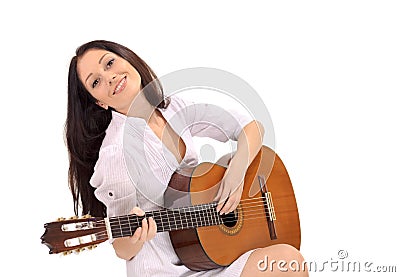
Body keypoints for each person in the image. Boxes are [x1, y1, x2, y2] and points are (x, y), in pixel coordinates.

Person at [66, 40, 308, 276]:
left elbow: (251, 127)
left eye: (109, 63)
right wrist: (135, 235)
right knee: (286, 262)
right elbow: (122, 248)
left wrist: (236, 173)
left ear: (128, 60)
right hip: (164, 270)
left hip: (207, 256)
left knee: (288, 261)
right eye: (96, 81)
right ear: (99, 102)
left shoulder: (173, 109)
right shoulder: (116, 154)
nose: (109, 77)